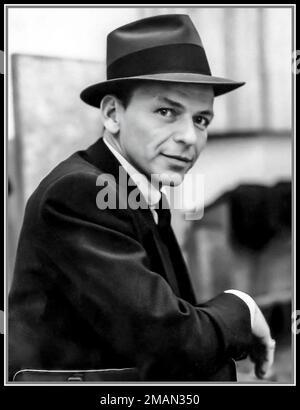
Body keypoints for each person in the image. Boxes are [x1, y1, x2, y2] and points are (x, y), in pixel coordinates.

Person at [9, 14, 275, 382]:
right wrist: (242, 308)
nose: (189, 137)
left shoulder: (138, 190)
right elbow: (169, 341)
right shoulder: (79, 194)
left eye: (201, 120)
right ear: (113, 114)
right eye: (167, 112)